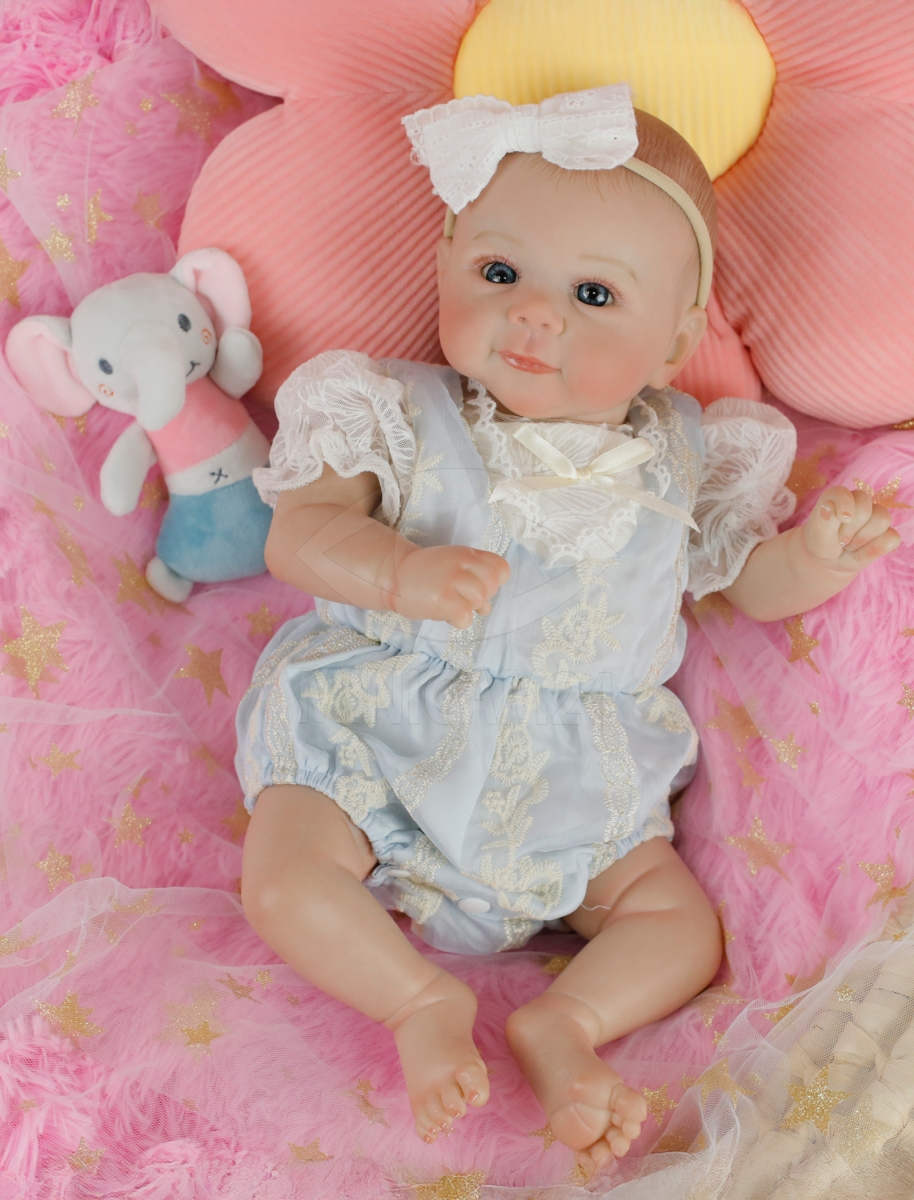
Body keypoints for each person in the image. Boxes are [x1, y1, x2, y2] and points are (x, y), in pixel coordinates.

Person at [234, 86, 900, 1173]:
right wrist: (397, 569)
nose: (536, 315)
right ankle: (416, 1002)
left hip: (576, 773)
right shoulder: (391, 411)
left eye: (593, 294)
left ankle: (566, 1023)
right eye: (500, 273)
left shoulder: (688, 458)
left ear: (675, 337)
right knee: (282, 877)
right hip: (383, 723)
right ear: (444, 263)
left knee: (676, 926)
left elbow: (742, 584)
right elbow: (299, 536)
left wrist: (817, 558)